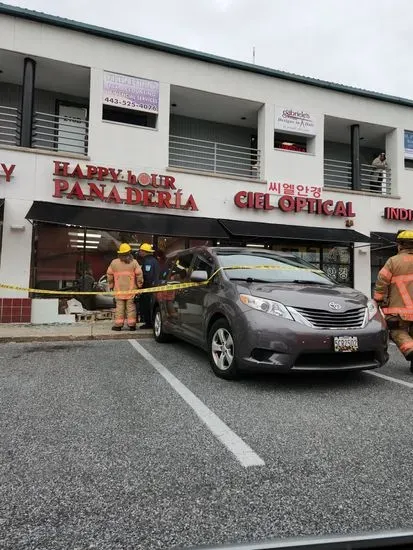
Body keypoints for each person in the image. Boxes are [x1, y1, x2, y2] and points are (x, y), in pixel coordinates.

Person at [374, 229, 413, 372]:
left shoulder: (393, 261)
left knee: (397, 331)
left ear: (400, 245)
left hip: (399, 310)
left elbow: (381, 283)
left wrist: (377, 301)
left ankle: (411, 351)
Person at [106, 243, 143, 331]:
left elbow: (109, 275)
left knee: (119, 308)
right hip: (131, 290)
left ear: (120, 253)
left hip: (119, 290)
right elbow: (139, 274)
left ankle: (118, 326)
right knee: (131, 307)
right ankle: (132, 325)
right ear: (129, 252)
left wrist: (111, 285)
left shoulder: (114, 262)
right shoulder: (134, 262)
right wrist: (139, 285)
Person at [138, 243, 160, 329]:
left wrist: (142, 286)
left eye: (140, 250)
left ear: (144, 252)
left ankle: (148, 323)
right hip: (154, 287)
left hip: (148, 288)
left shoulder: (148, 261)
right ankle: (151, 322)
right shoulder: (154, 260)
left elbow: (148, 275)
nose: (139, 252)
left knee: (147, 306)